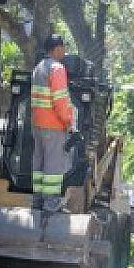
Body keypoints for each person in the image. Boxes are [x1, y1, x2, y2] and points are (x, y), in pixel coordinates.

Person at [30, 34, 77, 214]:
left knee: (39, 162)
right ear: (57, 48)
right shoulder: (57, 68)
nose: (64, 51)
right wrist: (68, 122)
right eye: (63, 48)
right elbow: (60, 100)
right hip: (53, 124)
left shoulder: (38, 68)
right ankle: (51, 203)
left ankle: (38, 200)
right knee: (53, 165)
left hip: (37, 124)